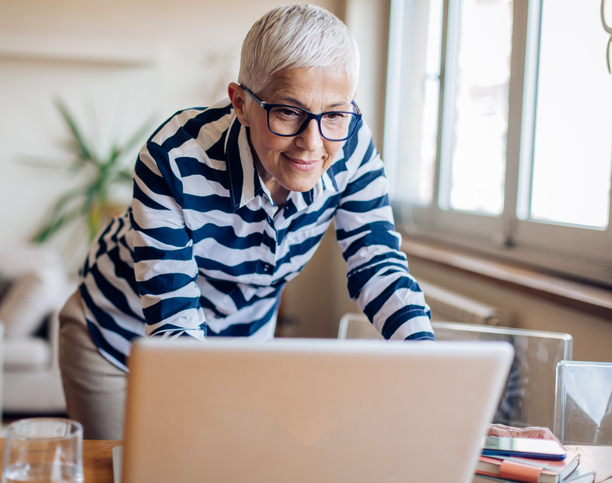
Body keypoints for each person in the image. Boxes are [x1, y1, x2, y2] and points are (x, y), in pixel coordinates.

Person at [58, 3, 435, 441]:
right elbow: (174, 321)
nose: (312, 144)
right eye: (288, 112)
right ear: (240, 102)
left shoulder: (349, 147)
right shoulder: (174, 159)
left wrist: (428, 368)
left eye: (334, 113)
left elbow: (378, 266)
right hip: (118, 337)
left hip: (241, 348)